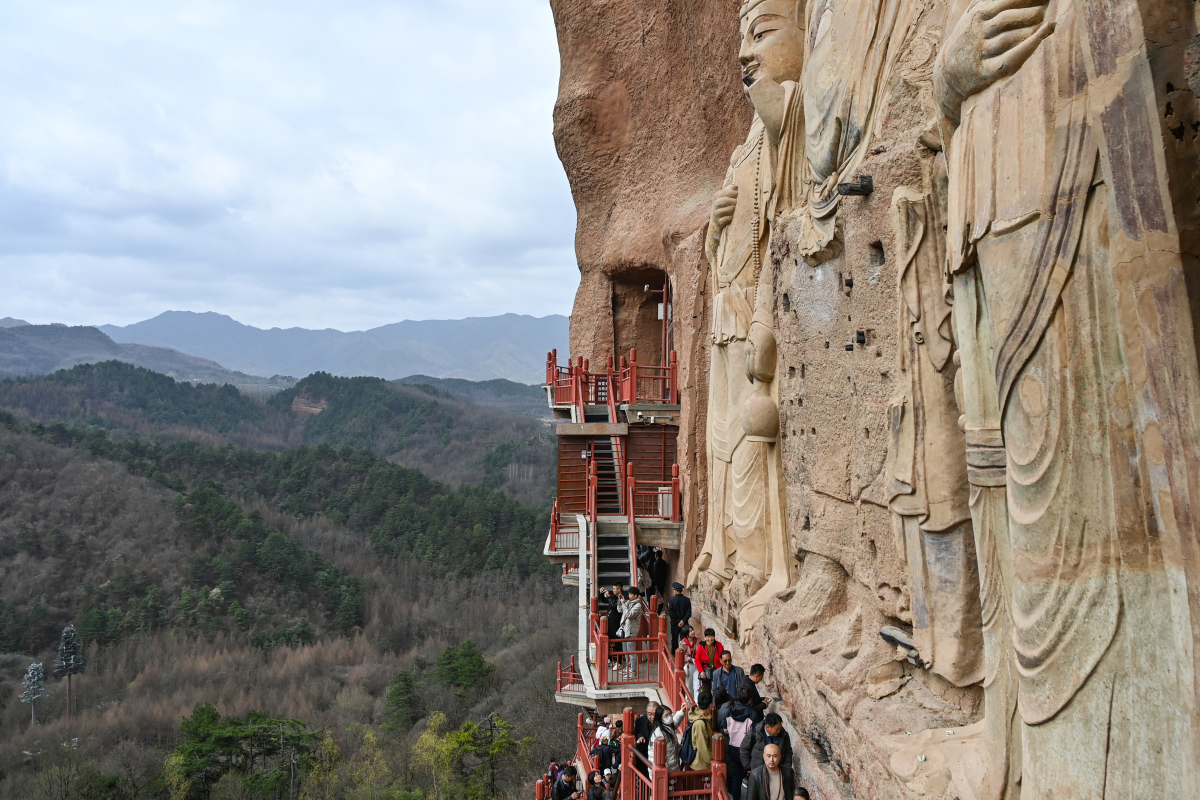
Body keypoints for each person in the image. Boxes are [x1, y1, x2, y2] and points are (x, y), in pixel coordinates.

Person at [722, 687, 757, 800]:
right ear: (749, 699)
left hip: (733, 748)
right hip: (747, 751)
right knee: (750, 776)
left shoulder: (729, 712)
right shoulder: (753, 714)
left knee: (736, 777)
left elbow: (725, 730)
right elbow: (754, 735)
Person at [740, 713, 793, 778]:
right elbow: (744, 749)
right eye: (777, 729)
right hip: (758, 773)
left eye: (780, 728)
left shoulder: (783, 735)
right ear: (768, 727)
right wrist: (748, 767)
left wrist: (786, 768)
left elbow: (788, 751)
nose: (779, 731)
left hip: (777, 773)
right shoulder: (754, 733)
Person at [649, 702, 687, 771]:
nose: (669, 717)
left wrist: (682, 711)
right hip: (666, 771)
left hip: (672, 766)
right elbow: (655, 757)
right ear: (660, 718)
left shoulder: (667, 726)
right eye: (666, 715)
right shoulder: (659, 734)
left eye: (670, 714)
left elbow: (675, 722)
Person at [617, 587, 646, 678]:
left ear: (635, 595)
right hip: (625, 630)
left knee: (632, 652)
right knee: (625, 651)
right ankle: (628, 667)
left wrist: (624, 605)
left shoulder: (638, 605)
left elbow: (629, 615)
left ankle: (633, 671)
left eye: (630, 594)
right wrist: (621, 602)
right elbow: (620, 610)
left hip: (631, 631)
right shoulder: (629, 602)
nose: (629, 595)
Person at [686, 691, 715, 770]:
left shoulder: (700, 717)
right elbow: (702, 747)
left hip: (701, 762)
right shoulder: (700, 724)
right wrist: (711, 761)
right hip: (700, 764)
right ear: (710, 705)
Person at [666, 582, 692, 651]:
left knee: (674, 638)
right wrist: (683, 621)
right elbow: (689, 613)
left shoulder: (671, 600)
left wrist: (678, 621)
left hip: (675, 623)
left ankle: (674, 652)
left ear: (675, 591)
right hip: (684, 623)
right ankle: (684, 652)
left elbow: (671, 613)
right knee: (684, 639)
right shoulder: (687, 600)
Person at [634, 700, 658, 771]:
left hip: (656, 755)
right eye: (650, 714)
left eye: (654, 714)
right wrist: (640, 736)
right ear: (646, 711)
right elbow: (635, 732)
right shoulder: (640, 721)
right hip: (643, 754)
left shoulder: (662, 722)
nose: (652, 717)